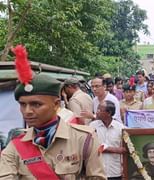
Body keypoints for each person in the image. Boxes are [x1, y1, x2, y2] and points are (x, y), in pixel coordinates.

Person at [0, 45, 106, 179]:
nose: (27, 111)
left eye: (36, 104)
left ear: (56, 104)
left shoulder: (83, 138)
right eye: (22, 104)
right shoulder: (15, 146)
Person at [89, 100, 126, 180]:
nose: (97, 112)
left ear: (108, 113)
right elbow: (92, 146)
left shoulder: (120, 128)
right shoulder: (92, 126)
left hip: (114, 171)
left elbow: (124, 150)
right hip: (97, 171)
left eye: (100, 110)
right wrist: (113, 149)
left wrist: (102, 148)